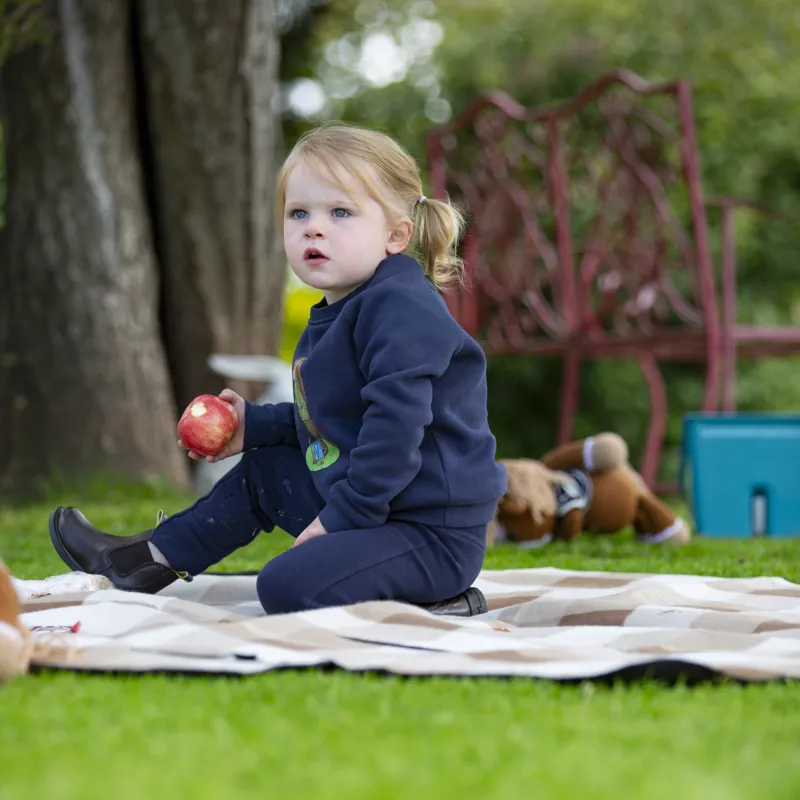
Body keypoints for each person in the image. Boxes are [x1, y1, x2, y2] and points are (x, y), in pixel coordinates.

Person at [48, 123, 507, 617]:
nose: (314, 226)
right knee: (266, 471)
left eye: (340, 212)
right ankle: (142, 562)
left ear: (396, 234)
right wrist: (256, 426)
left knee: (286, 587)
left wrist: (340, 521)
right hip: (383, 513)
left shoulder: (400, 306)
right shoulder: (337, 311)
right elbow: (333, 423)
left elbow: (394, 432)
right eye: (299, 213)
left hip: (429, 534)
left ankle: (444, 603)